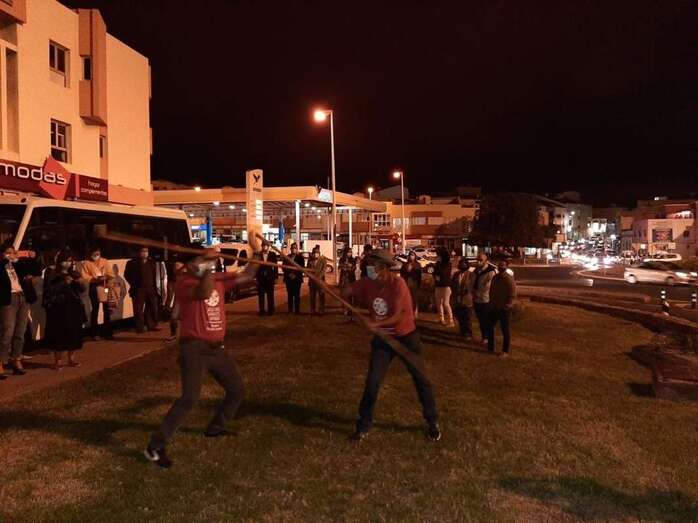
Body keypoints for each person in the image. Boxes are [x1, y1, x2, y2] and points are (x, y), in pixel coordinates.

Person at [145, 250, 258, 469]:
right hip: (194, 349)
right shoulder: (185, 283)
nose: (210, 262)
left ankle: (215, 428)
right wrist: (208, 267)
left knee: (236, 390)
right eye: (203, 259)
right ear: (190, 264)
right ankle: (155, 447)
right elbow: (205, 292)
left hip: (217, 349)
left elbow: (247, 275)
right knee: (190, 398)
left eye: (210, 260)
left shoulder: (217, 278)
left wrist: (257, 252)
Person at [342, 249, 440, 442]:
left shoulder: (398, 284)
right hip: (383, 341)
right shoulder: (368, 283)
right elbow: (347, 291)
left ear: (384, 268)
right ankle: (363, 425)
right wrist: (346, 301)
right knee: (373, 382)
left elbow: (398, 316)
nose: (369, 268)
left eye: (373, 265)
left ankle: (432, 421)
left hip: (406, 338)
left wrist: (375, 324)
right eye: (369, 265)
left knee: (421, 379)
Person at [43, 251, 87, 370]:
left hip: (73, 307)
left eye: (70, 261)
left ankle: (71, 358)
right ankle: (58, 361)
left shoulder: (74, 273)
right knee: (60, 334)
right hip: (59, 307)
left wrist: (80, 282)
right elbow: (49, 290)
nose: (68, 263)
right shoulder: (52, 273)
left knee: (74, 333)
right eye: (65, 261)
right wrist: (64, 283)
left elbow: (82, 290)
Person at [0, 244, 38, 378]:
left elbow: (35, 270)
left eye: (14, 252)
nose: (12, 254)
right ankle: (1, 361)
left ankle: (16, 360)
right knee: (7, 331)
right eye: (9, 252)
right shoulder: (2, 265)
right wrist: (6, 260)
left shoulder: (18, 265)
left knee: (20, 331)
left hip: (22, 296)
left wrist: (31, 258)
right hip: (8, 298)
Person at [80, 246, 114, 340]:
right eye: (94, 254)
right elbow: (84, 276)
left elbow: (111, 273)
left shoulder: (105, 261)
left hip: (104, 286)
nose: (96, 255)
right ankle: (95, 333)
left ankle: (107, 332)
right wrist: (94, 279)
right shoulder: (86, 263)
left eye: (97, 253)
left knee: (106, 309)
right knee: (95, 309)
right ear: (90, 254)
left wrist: (106, 277)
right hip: (94, 287)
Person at [125, 247, 161, 334]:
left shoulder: (152, 262)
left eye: (146, 251)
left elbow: (154, 275)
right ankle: (140, 327)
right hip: (138, 289)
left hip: (151, 289)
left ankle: (151, 325)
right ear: (138, 252)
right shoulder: (132, 263)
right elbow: (127, 275)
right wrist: (134, 283)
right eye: (143, 251)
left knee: (152, 307)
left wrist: (155, 287)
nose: (145, 253)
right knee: (138, 310)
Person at [488, 259, 517, 357]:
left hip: (504, 308)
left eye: (503, 265)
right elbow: (491, 290)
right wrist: (491, 302)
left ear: (506, 267)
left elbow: (513, 294)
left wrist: (508, 305)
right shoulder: (495, 277)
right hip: (495, 307)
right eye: (500, 265)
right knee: (490, 326)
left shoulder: (509, 279)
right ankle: (490, 346)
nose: (501, 267)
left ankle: (505, 351)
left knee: (505, 329)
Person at [470, 252, 497, 346]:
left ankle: (488, 338)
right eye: (478, 260)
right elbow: (471, 283)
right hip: (477, 299)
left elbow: (488, 286)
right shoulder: (475, 271)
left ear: (486, 261)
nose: (478, 262)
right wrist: (472, 292)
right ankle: (484, 337)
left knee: (486, 320)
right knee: (481, 320)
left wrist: (477, 292)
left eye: (480, 260)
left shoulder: (490, 272)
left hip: (486, 300)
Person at [451, 258, 473, 339]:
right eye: (461, 264)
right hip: (457, 299)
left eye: (464, 264)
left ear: (467, 265)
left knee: (467, 317)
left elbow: (472, 286)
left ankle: (468, 333)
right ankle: (462, 331)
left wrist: (466, 291)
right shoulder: (456, 274)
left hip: (467, 299)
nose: (462, 265)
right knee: (460, 316)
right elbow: (452, 284)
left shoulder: (471, 275)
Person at [255, 241, 278, 316]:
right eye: (263, 246)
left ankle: (271, 310)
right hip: (260, 278)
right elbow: (255, 267)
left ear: (268, 247)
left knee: (270, 295)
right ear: (261, 246)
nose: (265, 247)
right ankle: (262, 311)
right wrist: (255, 278)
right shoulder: (258, 254)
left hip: (270, 278)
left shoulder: (272, 254)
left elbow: (275, 267)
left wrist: (276, 277)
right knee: (261, 296)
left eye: (266, 246)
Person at [433, 247, 454, 326]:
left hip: (446, 286)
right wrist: (435, 276)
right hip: (438, 285)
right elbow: (434, 273)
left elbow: (443, 273)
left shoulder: (448, 264)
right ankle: (441, 318)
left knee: (446, 303)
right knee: (438, 303)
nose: (437, 257)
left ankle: (451, 320)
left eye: (438, 255)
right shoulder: (438, 264)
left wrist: (438, 265)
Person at [283, 243, 305, 314]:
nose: (293, 249)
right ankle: (290, 310)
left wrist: (295, 274)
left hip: (297, 279)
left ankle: (297, 310)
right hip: (288, 279)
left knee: (297, 295)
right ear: (290, 249)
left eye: (295, 248)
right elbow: (284, 267)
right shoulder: (287, 257)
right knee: (290, 295)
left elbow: (302, 267)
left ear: (297, 249)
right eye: (292, 248)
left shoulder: (300, 258)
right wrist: (289, 274)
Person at [400, 250, 422, 317]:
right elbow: (402, 274)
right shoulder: (405, 264)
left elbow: (419, 276)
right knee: (407, 297)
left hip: (414, 282)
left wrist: (419, 284)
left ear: (415, 256)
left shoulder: (417, 264)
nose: (411, 256)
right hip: (406, 282)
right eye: (410, 255)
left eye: (412, 255)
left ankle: (415, 311)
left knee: (414, 298)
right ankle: (407, 311)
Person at [307, 247, 327, 315]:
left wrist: (318, 277)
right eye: (315, 253)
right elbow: (307, 269)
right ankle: (312, 310)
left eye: (317, 253)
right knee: (312, 297)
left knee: (321, 296)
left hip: (320, 281)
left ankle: (321, 310)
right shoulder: (310, 260)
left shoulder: (323, 260)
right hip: (312, 282)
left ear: (319, 253)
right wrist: (311, 276)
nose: (316, 254)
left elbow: (323, 270)